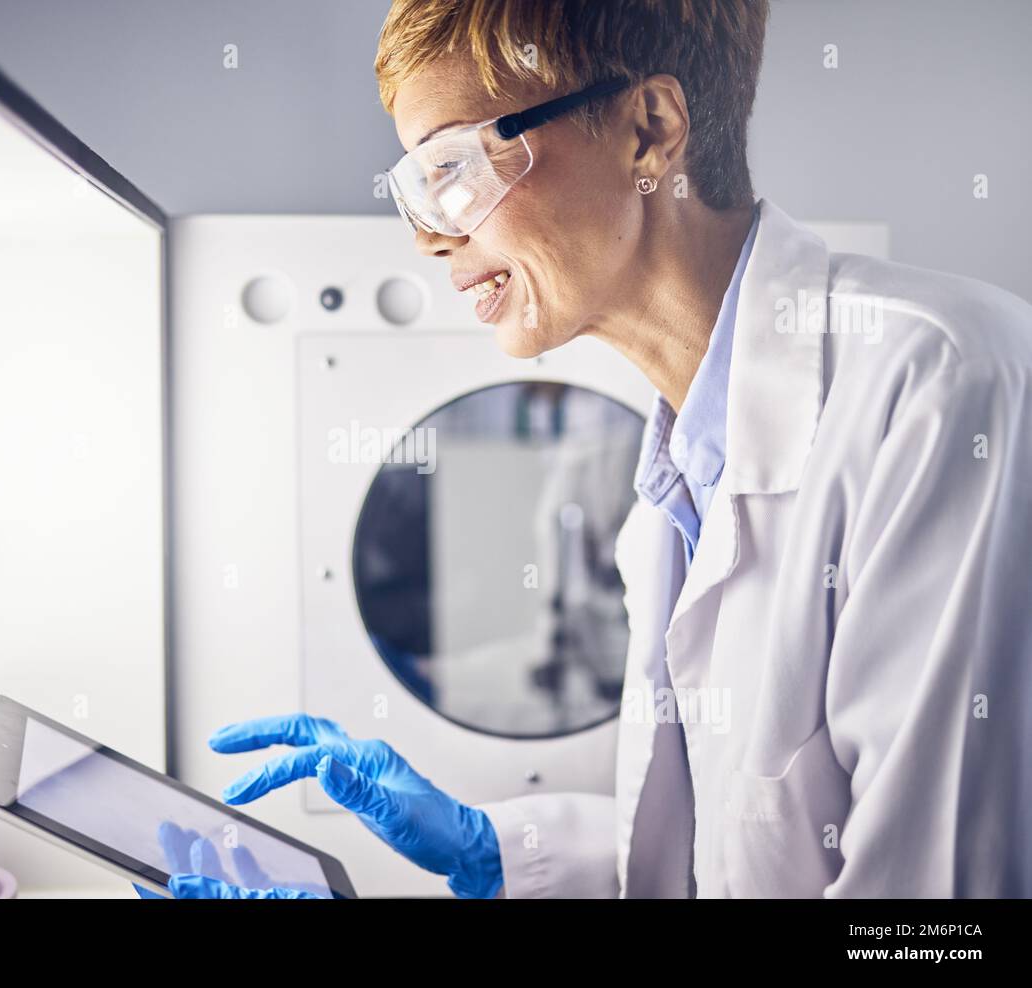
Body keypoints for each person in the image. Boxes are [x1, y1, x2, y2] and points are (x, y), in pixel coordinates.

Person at [147, 0, 1032, 898]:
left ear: (649, 133)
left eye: (452, 165)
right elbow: (718, 863)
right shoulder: (673, 487)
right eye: (416, 183)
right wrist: (500, 854)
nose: (430, 233)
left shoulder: (943, 386)